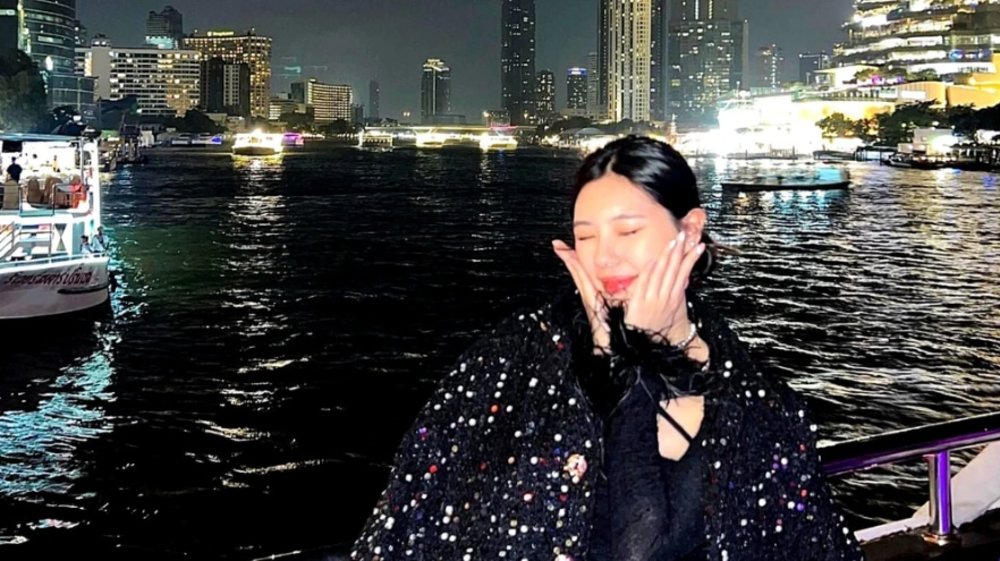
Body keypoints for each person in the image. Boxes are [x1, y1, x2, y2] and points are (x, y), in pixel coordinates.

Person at [350, 136, 865, 561]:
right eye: (586, 236)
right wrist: (628, 362)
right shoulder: (515, 357)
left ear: (690, 229)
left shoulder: (752, 393)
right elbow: (409, 517)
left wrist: (640, 352)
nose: (605, 255)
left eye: (629, 230)